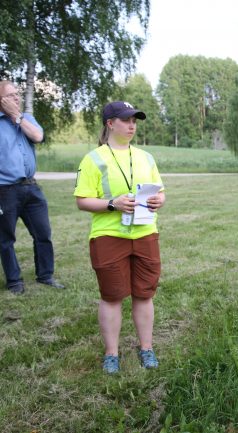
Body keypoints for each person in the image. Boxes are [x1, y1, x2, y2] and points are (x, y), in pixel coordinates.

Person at [74, 101, 165, 374]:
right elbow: (82, 200)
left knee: (144, 294)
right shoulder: (93, 158)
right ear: (110, 123)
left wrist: (159, 201)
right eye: (126, 120)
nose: (132, 125)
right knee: (112, 296)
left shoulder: (146, 157)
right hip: (109, 235)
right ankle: (111, 354)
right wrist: (112, 204)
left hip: (145, 233)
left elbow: (160, 192)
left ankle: (146, 348)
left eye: (135, 120)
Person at [0, 80, 64, 295]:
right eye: (10, 95)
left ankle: (45, 275)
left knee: (43, 233)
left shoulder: (26, 118)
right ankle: (14, 281)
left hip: (32, 188)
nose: (16, 98)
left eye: (17, 94)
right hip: (4, 190)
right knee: (6, 238)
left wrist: (16, 117)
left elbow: (37, 136)